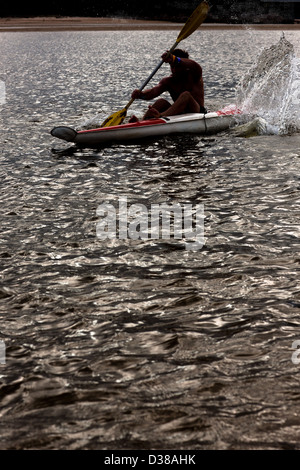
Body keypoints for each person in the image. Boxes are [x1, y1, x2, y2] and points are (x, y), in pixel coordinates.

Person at [129, 49, 206, 122]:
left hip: (197, 111)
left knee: (186, 95)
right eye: (172, 67)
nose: (174, 70)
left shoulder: (195, 74)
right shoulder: (169, 81)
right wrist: (141, 95)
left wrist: (175, 59)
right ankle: (142, 122)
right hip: (178, 113)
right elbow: (153, 92)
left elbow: (193, 64)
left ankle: (161, 115)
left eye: (177, 67)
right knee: (161, 102)